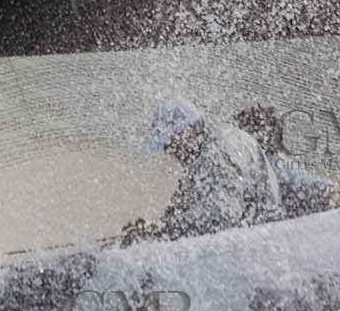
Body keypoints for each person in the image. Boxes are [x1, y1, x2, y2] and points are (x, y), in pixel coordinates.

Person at [119, 98, 283, 246]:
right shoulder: (207, 150)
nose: (168, 150)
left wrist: (160, 227)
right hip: (252, 232)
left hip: (263, 239)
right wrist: (160, 223)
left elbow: (221, 215)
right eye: (165, 144)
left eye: (171, 140)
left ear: (193, 127)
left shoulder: (218, 152)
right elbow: (196, 210)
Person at [234, 105, 340, 217]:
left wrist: (330, 193)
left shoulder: (274, 164)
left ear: (261, 137)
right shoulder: (258, 161)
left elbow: (301, 181)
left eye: (244, 133)